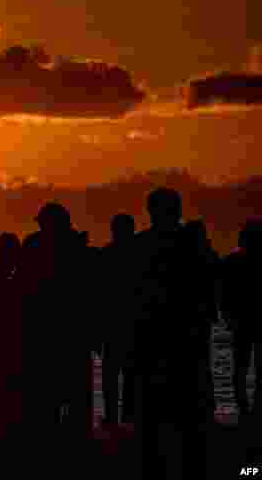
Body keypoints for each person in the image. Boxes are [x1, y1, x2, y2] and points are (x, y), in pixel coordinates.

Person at [131, 188, 209, 480]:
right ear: (177, 210)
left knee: (152, 417)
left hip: (153, 339)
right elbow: (208, 286)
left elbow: (131, 295)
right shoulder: (193, 245)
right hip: (186, 339)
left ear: (151, 211)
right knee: (189, 416)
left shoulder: (141, 246)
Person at [16, 204, 96, 441]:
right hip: (69, 330)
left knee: (46, 394)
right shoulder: (78, 246)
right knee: (72, 393)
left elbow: (24, 287)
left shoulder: (33, 245)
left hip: (47, 330)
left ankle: (49, 438)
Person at [100, 213, 139, 427]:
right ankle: (127, 416)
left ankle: (113, 417)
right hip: (129, 322)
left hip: (114, 323)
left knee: (112, 375)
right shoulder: (139, 254)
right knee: (129, 374)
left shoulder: (107, 254)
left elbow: (99, 293)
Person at [222, 219, 262, 422]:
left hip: (240, 321)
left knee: (240, 367)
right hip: (248, 320)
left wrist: (227, 316)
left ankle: (245, 410)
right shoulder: (232, 263)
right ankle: (252, 410)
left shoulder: (231, 262)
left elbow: (223, 295)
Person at [183, 219, 219, 423]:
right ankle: (205, 403)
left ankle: (195, 403)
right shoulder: (208, 255)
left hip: (188, 316)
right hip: (203, 316)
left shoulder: (182, 258)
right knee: (202, 361)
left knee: (190, 362)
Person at [0, 232, 23, 427]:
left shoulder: (0, 273)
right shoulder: (2, 274)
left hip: (7, 342)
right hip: (5, 342)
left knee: (6, 393)